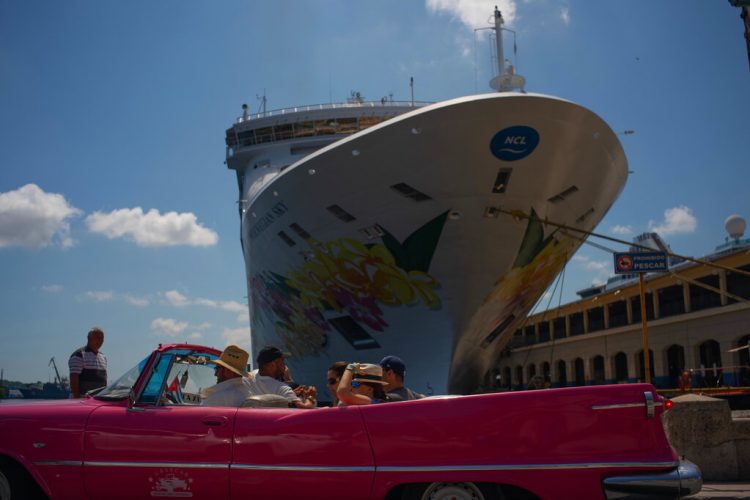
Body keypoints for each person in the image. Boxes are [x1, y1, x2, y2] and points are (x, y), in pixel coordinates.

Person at [246, 346, 316, 409]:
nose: (284, 365)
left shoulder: (249, 377)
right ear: (273, 364)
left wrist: (290, 395)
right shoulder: (282, 388)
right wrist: (311, 397)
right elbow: (304, 408)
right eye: (282, 361)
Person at [68, 327, 107, 398]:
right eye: (97, 337)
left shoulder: (103, 357)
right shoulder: (79, 355)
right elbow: (74, 378)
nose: (100, 340)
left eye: (102, 338)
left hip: (97, 400)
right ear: (89, 338)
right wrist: (76, 399)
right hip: (81, 400)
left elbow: (104, 379)